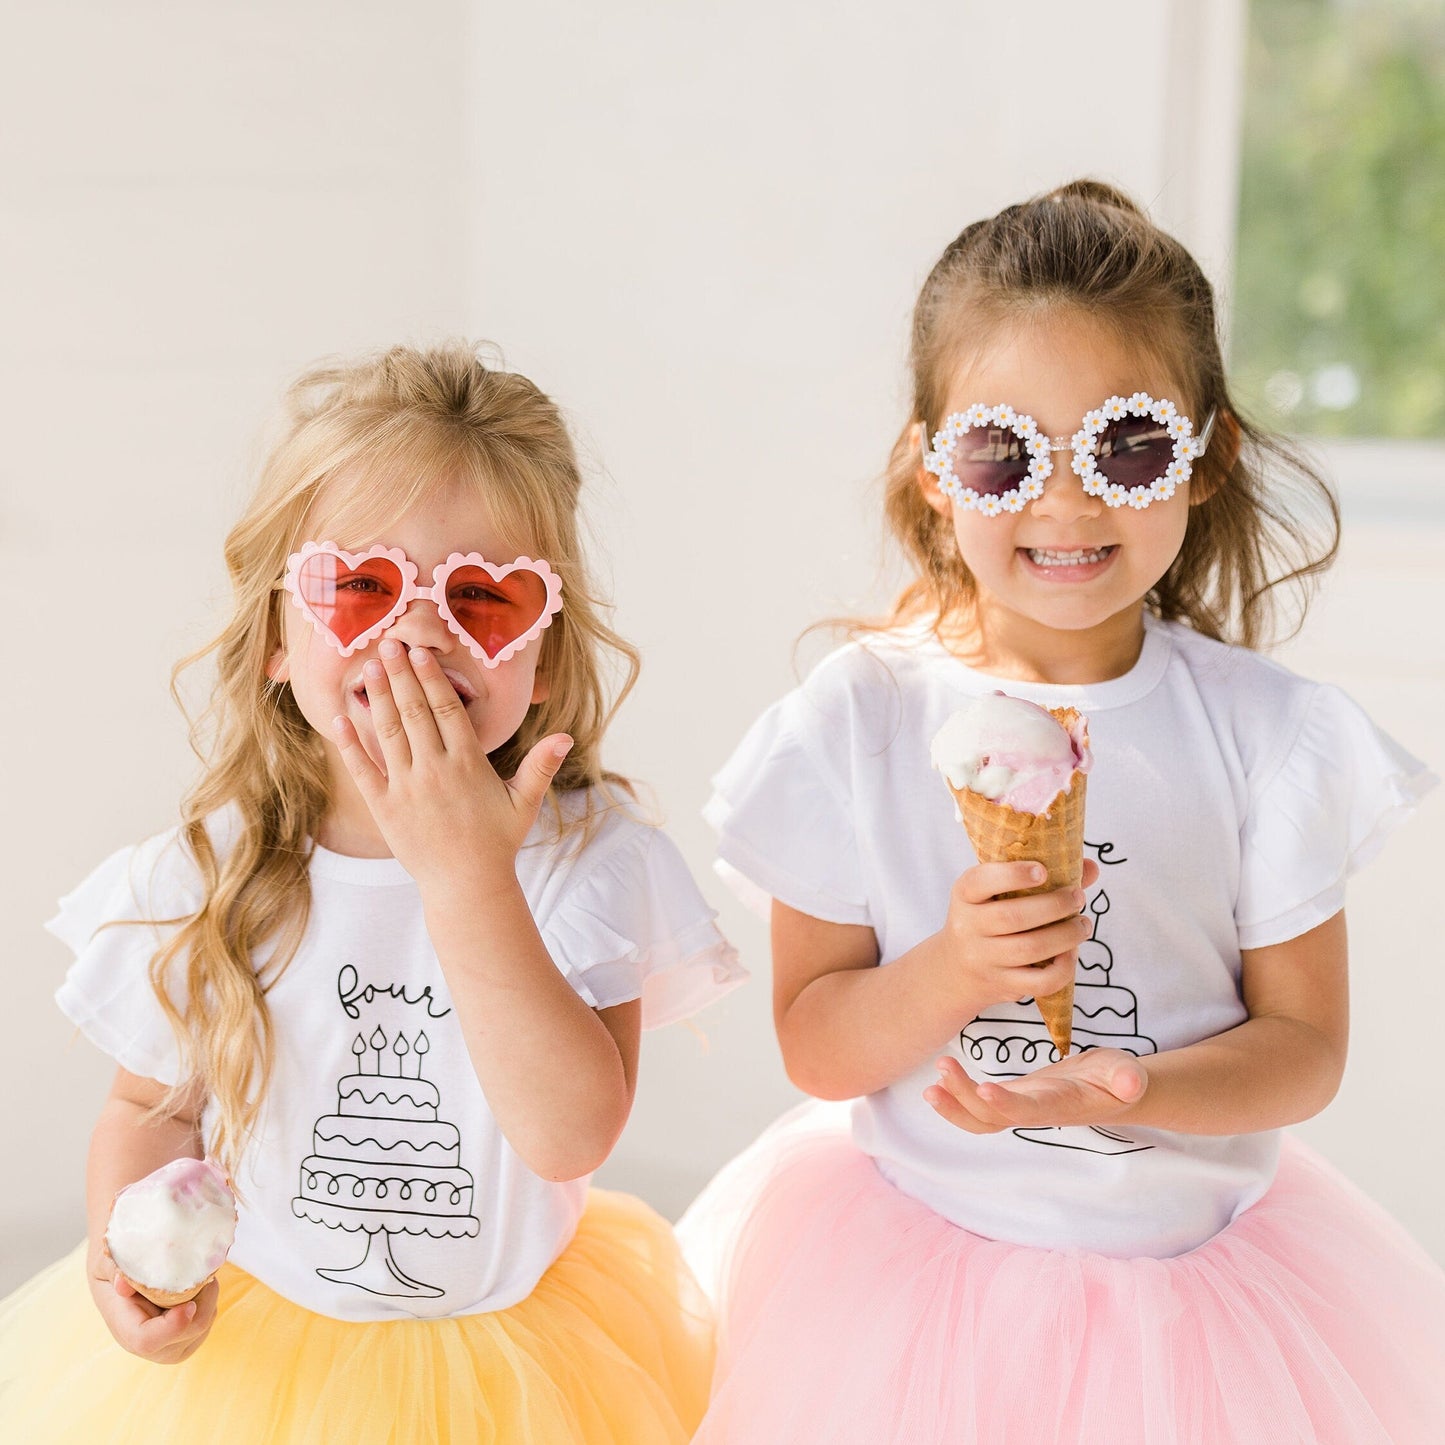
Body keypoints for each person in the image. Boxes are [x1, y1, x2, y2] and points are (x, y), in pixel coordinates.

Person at [678, 181, 1445, 1444]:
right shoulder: (857, 721)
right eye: (1001, 450)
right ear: (929, 471)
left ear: (1206, 460)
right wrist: (952, 968)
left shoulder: (1265, 734)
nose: (1065, 500)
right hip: (905, 1295)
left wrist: (1124, 1089)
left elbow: (1302, 1046)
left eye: (1127, 444)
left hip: (1198, 1319)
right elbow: (819, 1045)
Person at [0, 343, 744, 1444]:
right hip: (260, 1361)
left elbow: (568, 1135)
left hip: (516, 1373)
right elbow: (150, 1110)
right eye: (360, 587)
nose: (418, 632)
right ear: (272, 638)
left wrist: (463, 873)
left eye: (484, 600)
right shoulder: (210, 871)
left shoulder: (587, 860)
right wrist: (131, 1255)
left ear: (538, 657)